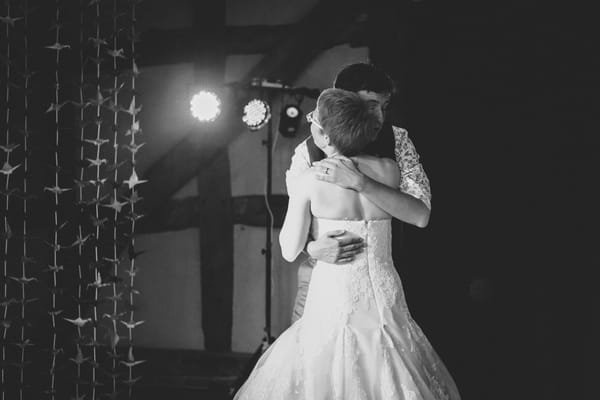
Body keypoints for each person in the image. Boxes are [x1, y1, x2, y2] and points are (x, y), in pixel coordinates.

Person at [233, 88, 460, 399]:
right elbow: (413, 210)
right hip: (384, 293)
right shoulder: (390, 171)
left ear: (325, 136)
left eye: (313, 119)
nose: (310, 122)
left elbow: (288, 250)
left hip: (334, 295)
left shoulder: (312, 179)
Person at [288, 63, 432, 324]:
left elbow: (420, 215)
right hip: (321, 280)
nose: (378, 116)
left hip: (381, 280)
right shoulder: (307, 152)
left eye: (383, 107)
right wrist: (313, 248)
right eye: (370, 104)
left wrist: (361, 182)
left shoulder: (397, 141)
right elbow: (295, 232)